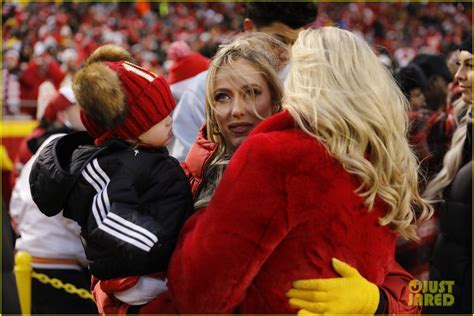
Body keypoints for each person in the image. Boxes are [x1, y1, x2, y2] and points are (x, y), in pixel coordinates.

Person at [94, 30, 429, 314]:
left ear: (283, 97)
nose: (237, 110)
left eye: (253, 93)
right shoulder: (185, 175)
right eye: (222, 97)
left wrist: (379, 303)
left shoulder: (312, 160)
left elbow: (418, 289)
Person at [29, 45, 194, 307]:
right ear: (130, 127)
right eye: (158, 115)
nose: (168, 119)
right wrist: (162, 248)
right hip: (142, 278)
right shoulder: (118, 165)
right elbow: (109, 218)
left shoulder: (148, 158)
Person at [169, 2, 318, 161]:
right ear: (249, 28)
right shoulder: (202, 88)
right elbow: (187, 167)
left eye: (294, 43)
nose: (286, 53)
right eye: (278, 41)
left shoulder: (307, 84)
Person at [423, 37, 472, 314]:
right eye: (459, 65)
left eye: (470, 65)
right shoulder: (461, 133)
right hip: (444, 294)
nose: (458, 75)